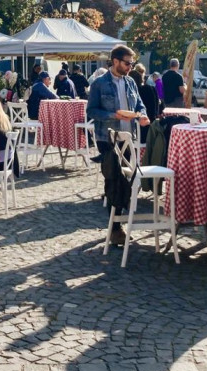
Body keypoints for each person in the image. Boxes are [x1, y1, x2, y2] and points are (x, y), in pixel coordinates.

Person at [87, 44, 149, 245]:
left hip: (128, 138)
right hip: (107, 137)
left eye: (132, 63)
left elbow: (139, 104)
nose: (131, 66)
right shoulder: (99, 84)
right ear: (115, 61)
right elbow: (92, 111)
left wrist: (142, 115)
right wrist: (112, 115)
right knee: (113, 180)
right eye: (127, 63)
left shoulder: (130, 82)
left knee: (130, 181)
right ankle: (115, 228)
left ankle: (120, 221)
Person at [128, 69, 159, 143]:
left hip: (133, 131)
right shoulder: (151, 89)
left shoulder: (130, 93)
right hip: (150, 129)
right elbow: (157, 109)